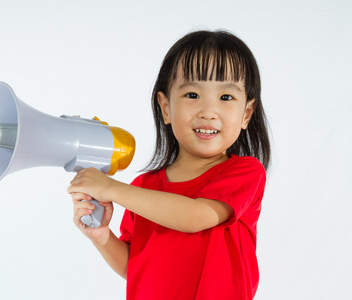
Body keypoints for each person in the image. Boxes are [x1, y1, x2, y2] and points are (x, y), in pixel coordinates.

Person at [67, 30, 271, 300]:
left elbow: (195, 217)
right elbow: (134, 266)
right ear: (165, 107)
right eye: (192, 95)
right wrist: (102, 236)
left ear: (246, 113)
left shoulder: (244, 172)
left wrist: (111, 188)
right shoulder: (144, 188)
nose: (208, 111)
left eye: (225, 97)